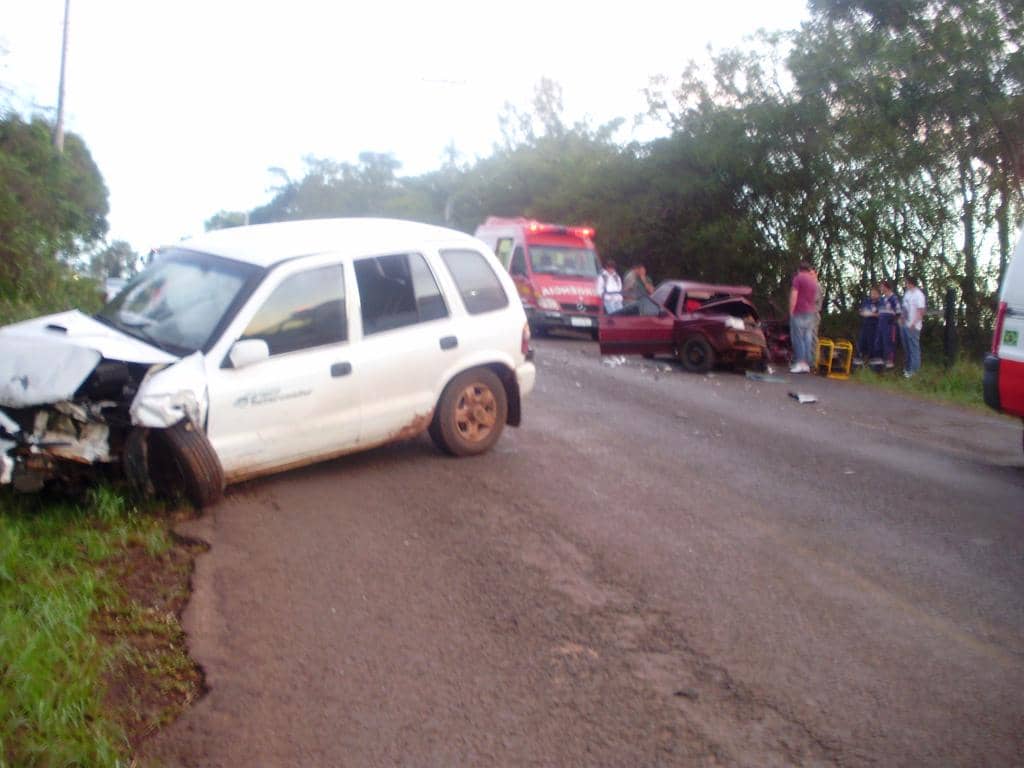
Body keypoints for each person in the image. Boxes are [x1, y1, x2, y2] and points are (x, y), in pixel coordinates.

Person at [788, 261, 819, 373]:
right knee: (807, 338)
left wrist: (791, 310)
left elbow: (794, 294)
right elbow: (815, 298)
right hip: (810, 312)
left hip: (799, 311)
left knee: (798, 337)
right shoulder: (814, 281)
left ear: (799, 269)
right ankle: (807, 363)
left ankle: (800, 362)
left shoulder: (798, 278)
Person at [900, 276, 926, 378]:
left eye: (907, 283)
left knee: (913, 348)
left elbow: (921, 311)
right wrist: (902, 319)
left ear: (911, 283)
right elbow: (905, 308)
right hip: (905, 324)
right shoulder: (907, 294)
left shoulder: (919, 295)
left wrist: (914, 323)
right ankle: (907, 369)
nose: (906, 285)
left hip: (914, 326)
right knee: (907, 348)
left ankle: (914, 371)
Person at [876, 281, 901, 368]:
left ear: (887, 287)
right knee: (879, 344)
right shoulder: (882, 299)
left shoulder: (893, 298)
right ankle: (880, 367)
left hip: (889, 326)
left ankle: (889, 366)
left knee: (889, 345)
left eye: (882, 287)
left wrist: (893, 321)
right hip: (881, 325)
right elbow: (878, 312)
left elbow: (898, 312)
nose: (881, 289)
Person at [855, 286, 881, 365]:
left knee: (872, 345)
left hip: (875, 327)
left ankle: (872, 363)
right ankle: (859, 362)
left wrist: (871, 314)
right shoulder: (867, 301)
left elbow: (882, 314)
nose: (872, 295)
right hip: (865, 326)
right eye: (871, 293)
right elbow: (861, 311)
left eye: (874, 293)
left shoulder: (881, 303)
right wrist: (863, 313)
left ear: (878, 294)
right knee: (861, 343)